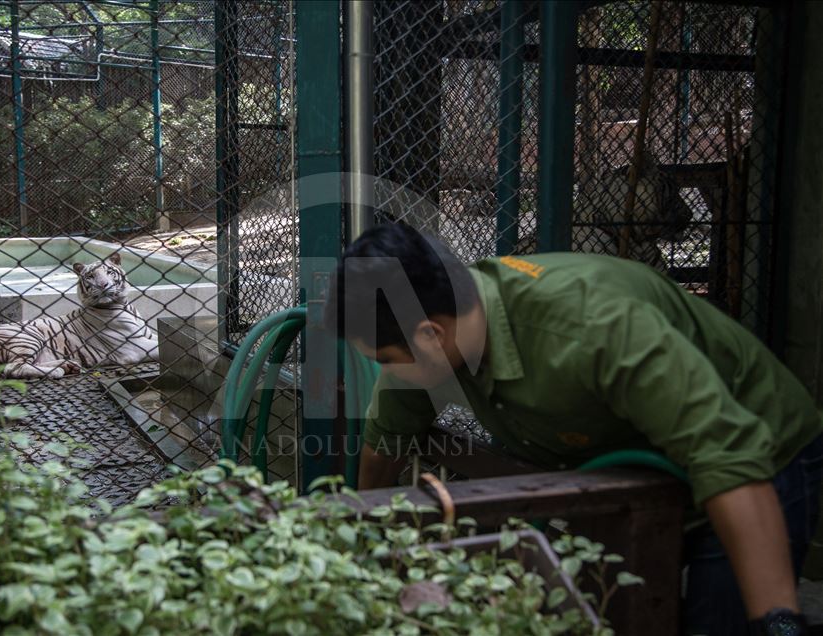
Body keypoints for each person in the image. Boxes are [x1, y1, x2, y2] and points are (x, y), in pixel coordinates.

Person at [325, 222, 822, 636]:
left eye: (387, 360)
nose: (388, 372)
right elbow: (386, 439)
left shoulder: (590, 324)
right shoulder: (439, 329)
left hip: (757, 455)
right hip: (640, 472)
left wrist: (778, 622)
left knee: (725, 622)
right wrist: (372, 546)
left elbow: (727, 455)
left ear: (430, 334)